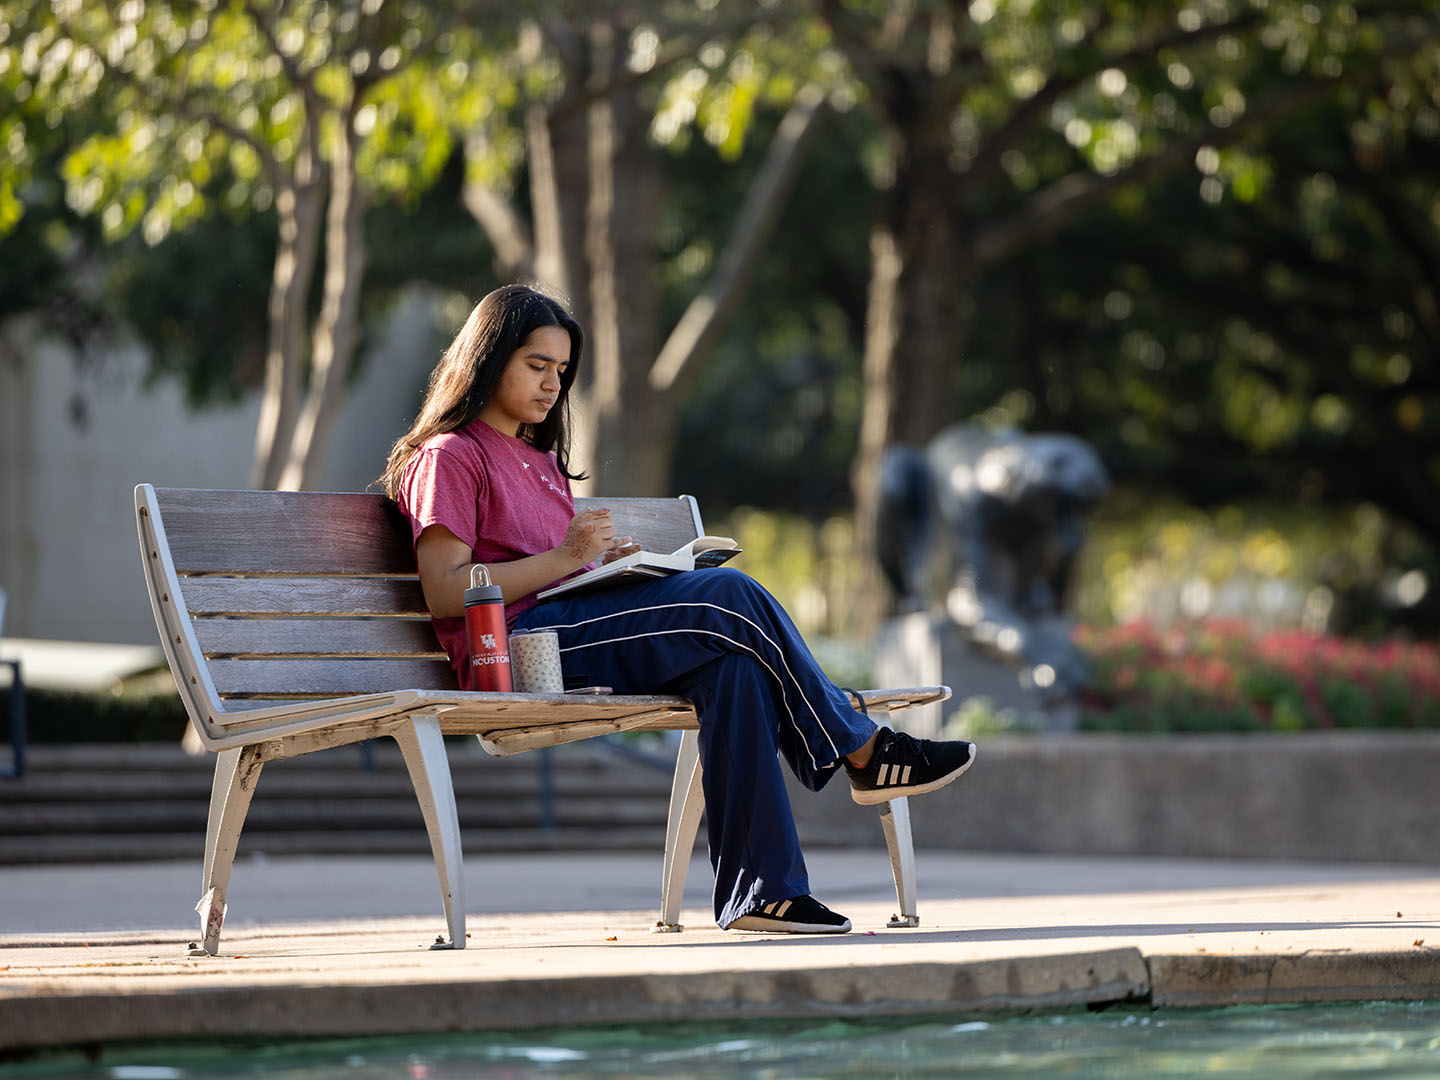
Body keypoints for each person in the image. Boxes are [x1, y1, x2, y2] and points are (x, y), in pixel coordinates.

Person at [381, 284, 977, 935]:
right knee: (732, 596)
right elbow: (445, 589)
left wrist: (605, 568)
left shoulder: (538, 460)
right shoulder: (449, 456)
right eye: (535, 364)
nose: (553, 384)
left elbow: (551, 571)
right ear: (488, 358)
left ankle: (763, 892)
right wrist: (564, 561)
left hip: (572, 627)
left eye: (561, 370)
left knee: (735, 671)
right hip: (518, 650)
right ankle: (862, 749)